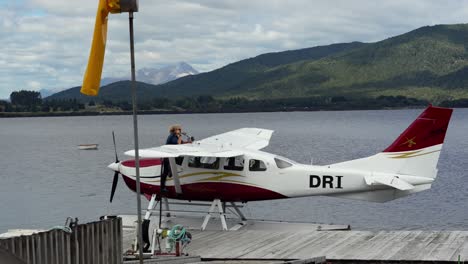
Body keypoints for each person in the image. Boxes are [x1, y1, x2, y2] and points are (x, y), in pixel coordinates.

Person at [160, 124, 192, 193]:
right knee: (165, 172)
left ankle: (171, 173)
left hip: (173, 156)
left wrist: (188, 142)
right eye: (179, 129)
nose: (180, 131)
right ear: (174, 130)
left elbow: (182, 143)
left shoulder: (176, 136)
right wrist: (180, 136)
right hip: (168, 156)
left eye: (180, 129)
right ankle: (162, 187)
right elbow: (178, 144)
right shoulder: (172, 136)